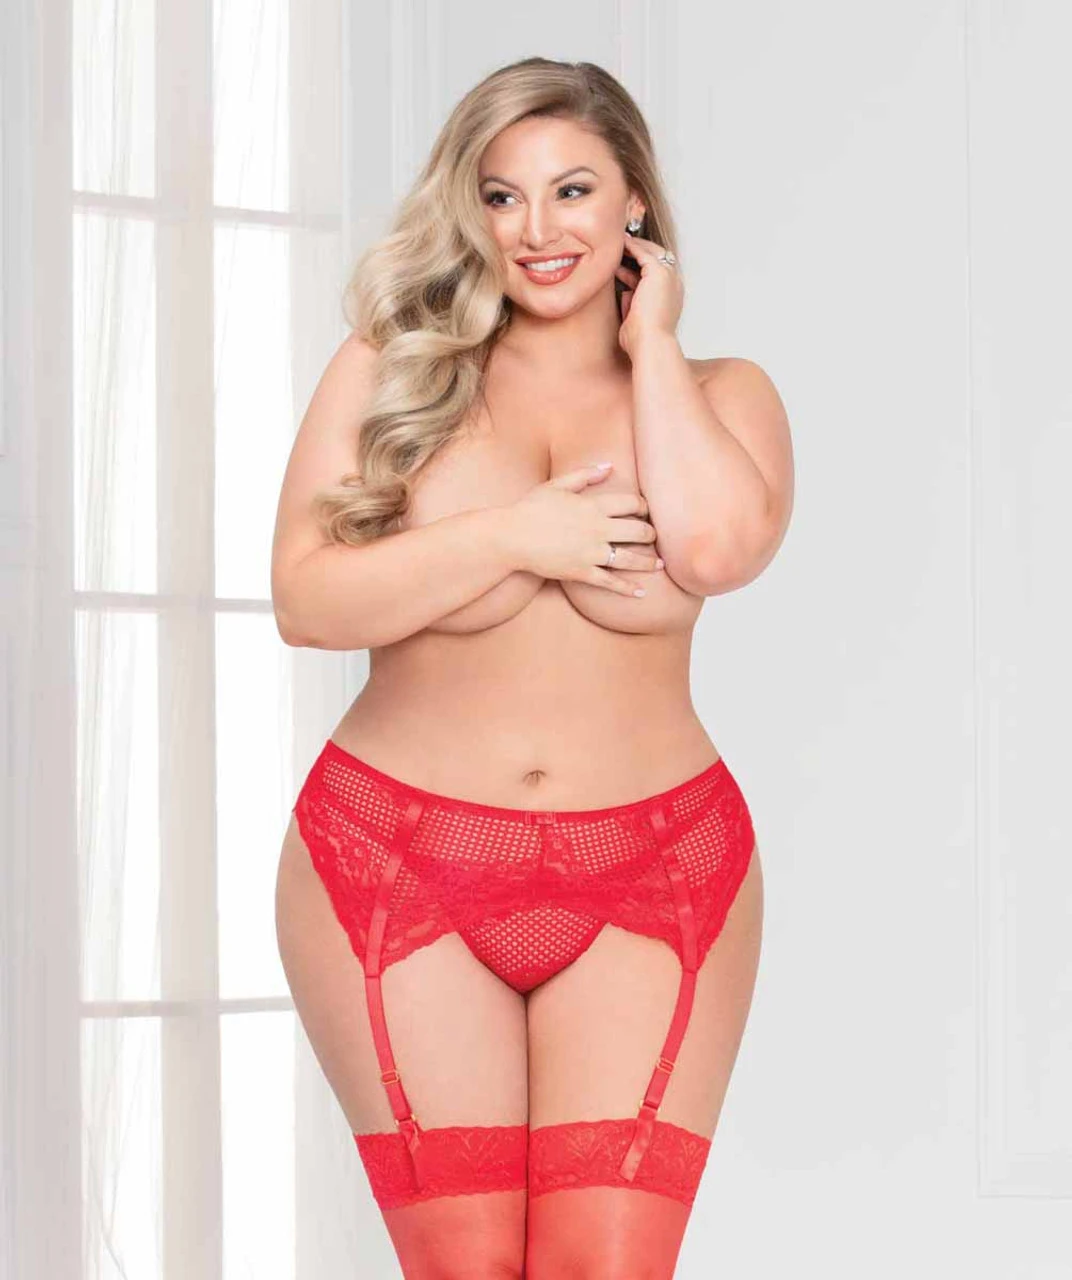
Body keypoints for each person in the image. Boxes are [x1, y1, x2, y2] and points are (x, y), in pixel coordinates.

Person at [271, 56, 793, 1280]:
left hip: (656, 863)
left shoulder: (720, 391)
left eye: (572, 190)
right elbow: (306, 599)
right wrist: (512, 536)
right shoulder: (393, 368)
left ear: (633, 202)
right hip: (395, 852)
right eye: (500, 196)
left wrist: (651, 345)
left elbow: (718, 548)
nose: (536, 229)